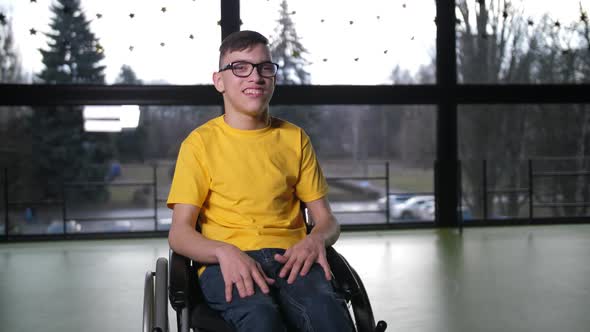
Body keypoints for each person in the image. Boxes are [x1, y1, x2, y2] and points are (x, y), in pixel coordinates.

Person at [167, 30, 353, 332]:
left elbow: (326, 220)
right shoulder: (199, 144)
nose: (255, 77)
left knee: (327, 316)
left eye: (264, 67)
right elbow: (179, 233)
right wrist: (222, 252)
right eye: (240, 67)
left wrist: (316, 239)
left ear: (273, 78)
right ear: (219, 81)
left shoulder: (295, 139)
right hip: (227, 260)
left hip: (292, 257)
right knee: (261, 319)